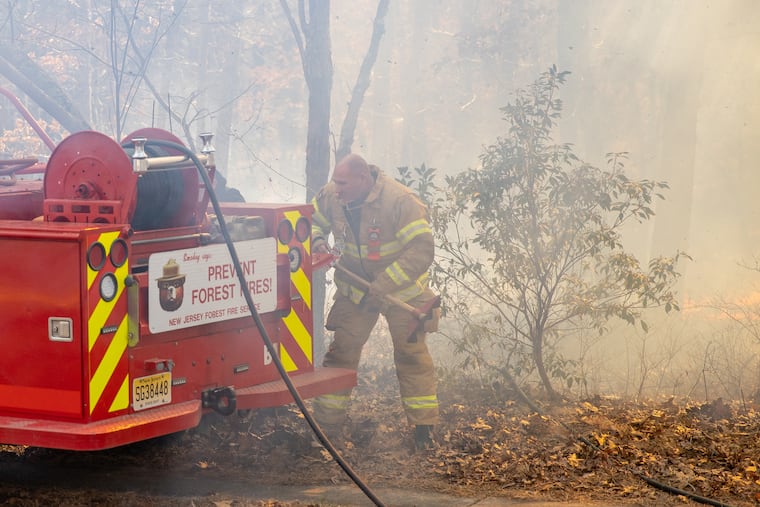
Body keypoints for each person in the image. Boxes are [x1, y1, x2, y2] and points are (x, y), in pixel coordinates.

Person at [310, 153, 440, 450]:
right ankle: (326, 431)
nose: (336, 188)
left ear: (363, 179)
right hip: (356, 290)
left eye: (342, 182)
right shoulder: (333, 194)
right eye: (335, 181)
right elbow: (310, 221)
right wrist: (318, 242)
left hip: (401, 292)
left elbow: (421, 250)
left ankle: (424, 432)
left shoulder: (400, 201)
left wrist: (384, 283)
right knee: (341, 354)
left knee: (412, 356)